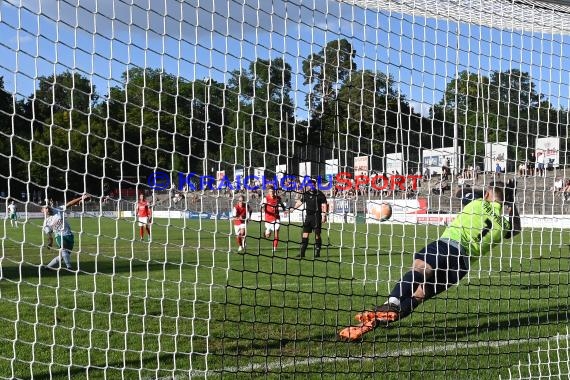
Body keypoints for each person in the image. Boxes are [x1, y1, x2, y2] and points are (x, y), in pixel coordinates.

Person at [338, 180, 521, 341]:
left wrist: (489, 191)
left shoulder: (477, 202)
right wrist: (510, 201)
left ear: (487, 194)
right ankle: (372, 323)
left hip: (448, 245)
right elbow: (516, 229)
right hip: (461, 266)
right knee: (419, 295)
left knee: (420, 269)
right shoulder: (503, 225)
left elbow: (459, 193)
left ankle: (392, 303)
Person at [42, 194, 90, 271]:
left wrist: (81, 198)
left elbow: (69, 204)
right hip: (59, 236)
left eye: (48, 207)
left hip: (69, 235)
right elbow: (49, 235)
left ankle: (47, 267)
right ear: (42, 211)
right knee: (63, 249)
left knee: (62, 256)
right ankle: (69, 267)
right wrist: (50, 242)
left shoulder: (58, 210)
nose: (47, 209)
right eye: (45, 208)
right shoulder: (46, 223)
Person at [292, 179, 329, 258]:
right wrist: (293, 208)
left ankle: (317, 252)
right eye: (309, 185)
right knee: (305, 234)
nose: (311, 186)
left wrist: (324, 215)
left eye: (312, 185)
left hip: (317, 216)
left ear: (315, 185)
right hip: (308, 217)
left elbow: (324, 204)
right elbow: (300, 202)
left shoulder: (320, 194)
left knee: (317, 235)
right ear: (308, 186)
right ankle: (302, 253)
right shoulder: (306, 194)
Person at [260, 186, 287, 253]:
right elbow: (261, 206)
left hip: (276, 218)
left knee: (276, 234)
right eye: (270, 191)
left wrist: (284, 210)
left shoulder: (278, 198)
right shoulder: (265, 199)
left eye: (272, 191)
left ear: (274, 191)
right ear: (268, 192)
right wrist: (263, 209)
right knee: (268, 236)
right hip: (268, 219)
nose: (272, 192)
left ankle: (274, 248)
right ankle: (267, 231)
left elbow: (282, 204)